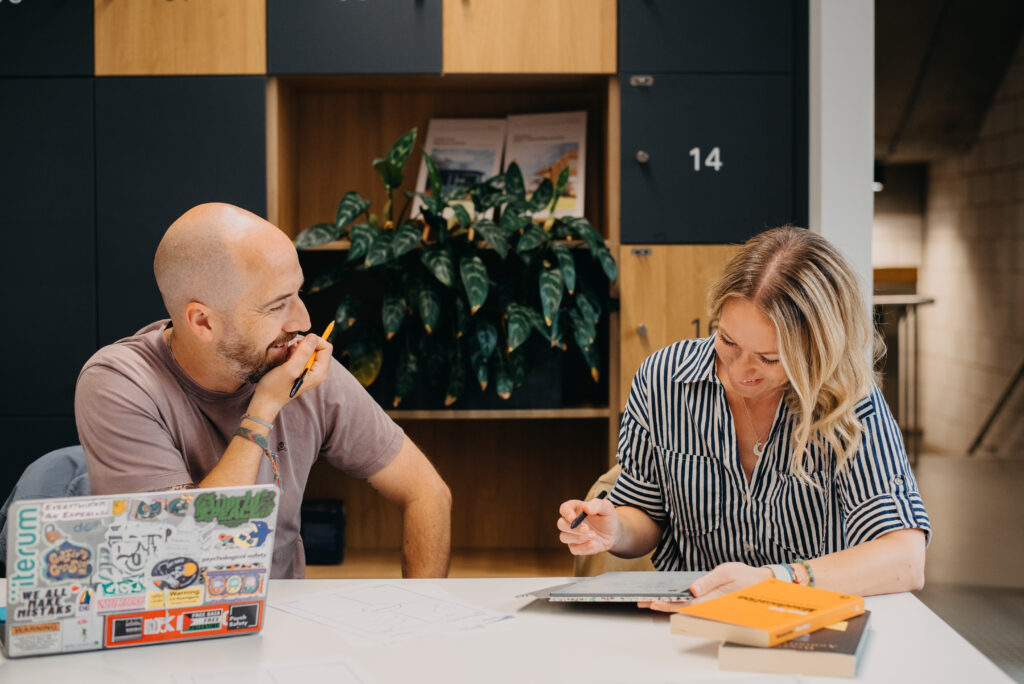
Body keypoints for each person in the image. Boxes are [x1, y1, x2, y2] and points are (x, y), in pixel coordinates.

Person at [76, 203, 452, 579]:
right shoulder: (119, 383)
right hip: (173, 626)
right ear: (203, 322)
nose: (303, 321)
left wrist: (425, 617)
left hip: (285, 623)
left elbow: (427, 493)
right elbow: (187, 561)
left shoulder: (295, 362)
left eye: (298, 293)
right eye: (276, 306)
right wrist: (263, 409)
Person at [557, 227, 930, 604]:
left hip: (806, 614)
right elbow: (647, 514)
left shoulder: (846, 399)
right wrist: (616, 529)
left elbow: (906, 559)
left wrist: (774, 581)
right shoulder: (663, 379)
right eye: (728, 342)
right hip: (691, 616)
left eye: (768, 358)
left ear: (818, 349)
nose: (739, 372)